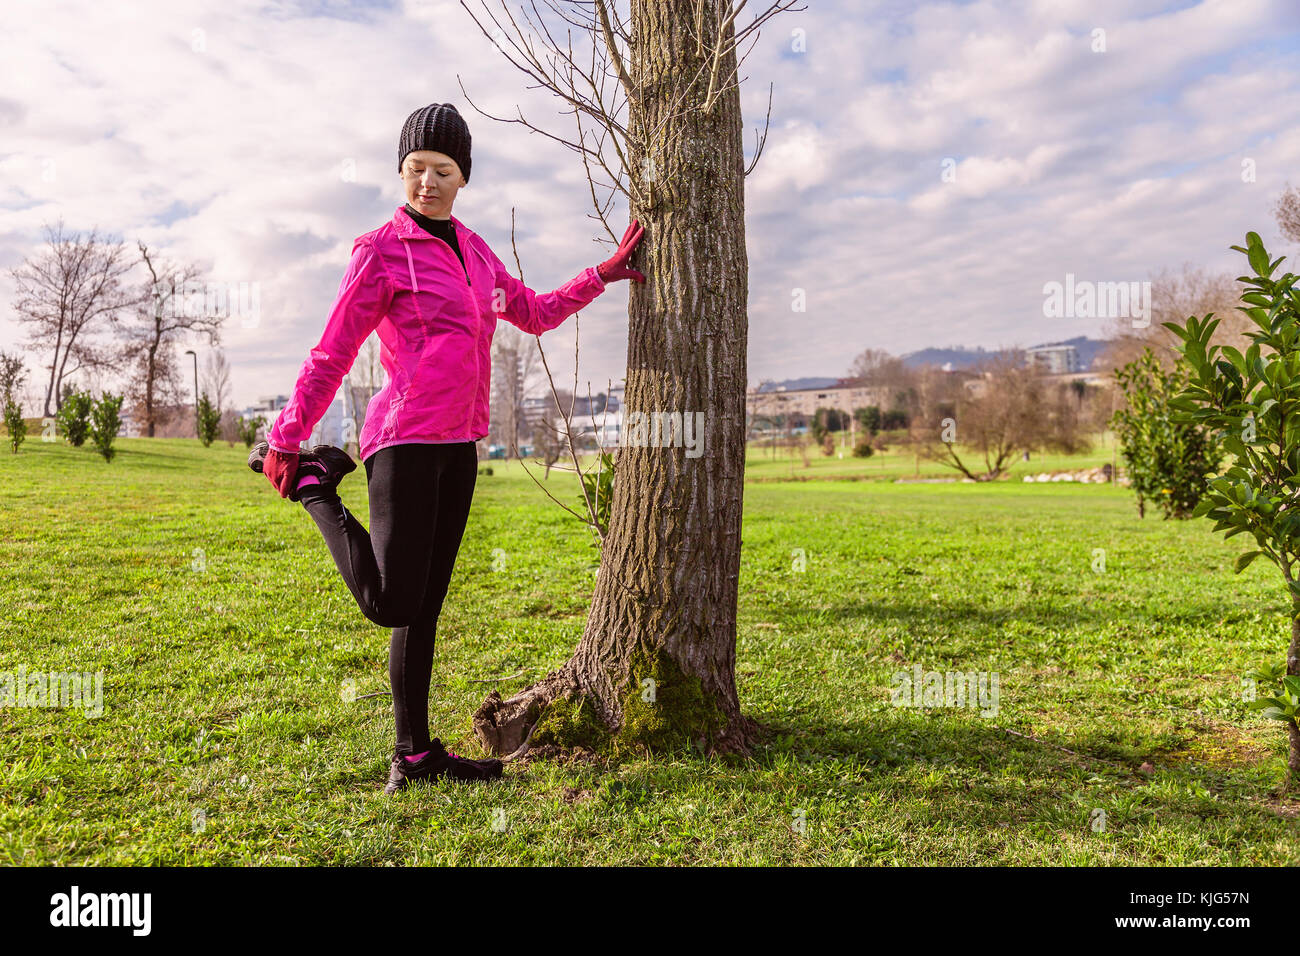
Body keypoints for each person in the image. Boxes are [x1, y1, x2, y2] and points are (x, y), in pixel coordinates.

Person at [248, 102, 646, 794]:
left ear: (463, 176)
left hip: (460, 445)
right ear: (401, 173)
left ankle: (416, 755)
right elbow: (333, 351)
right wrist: (287, 437)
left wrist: (600, 275)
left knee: (426, 605)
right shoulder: (381, 251)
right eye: (415, 170)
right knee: (391, 602)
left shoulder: (478, 252)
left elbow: (534, 312)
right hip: (402, 439)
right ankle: (316, 489)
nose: (426, 182)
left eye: (441, 170)